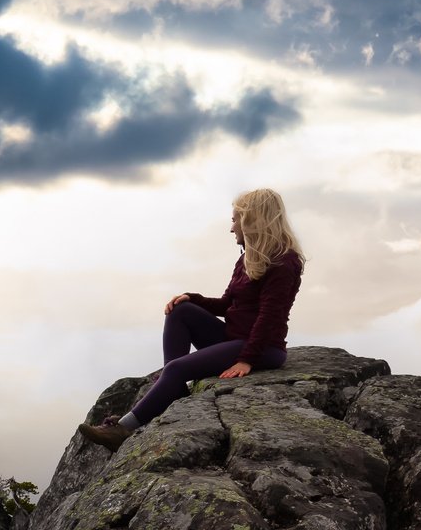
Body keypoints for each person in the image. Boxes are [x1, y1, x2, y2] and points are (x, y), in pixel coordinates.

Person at [78, 188, 306, 452]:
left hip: (263, 348)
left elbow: (270, 316)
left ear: (252, 221)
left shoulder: (283, 262)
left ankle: (123, 429)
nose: (232, 228)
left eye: (235, 220)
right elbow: (226, 304)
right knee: (181, 312)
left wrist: (247, 359)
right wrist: (191, 298)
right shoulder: (247, 258)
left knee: (176, 369)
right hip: (235, 336)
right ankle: (171, 389)